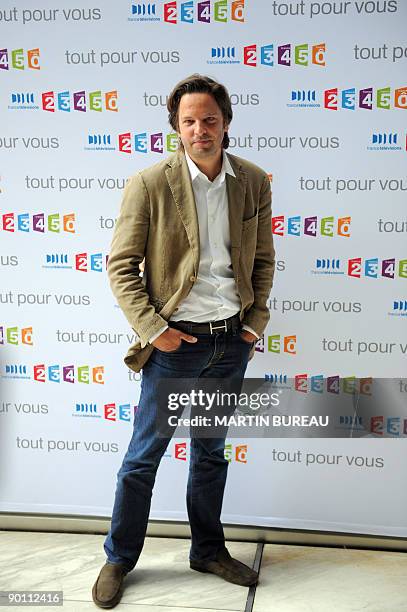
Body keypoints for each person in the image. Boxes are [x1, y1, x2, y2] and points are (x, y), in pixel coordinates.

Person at [92, 74, 275, 609]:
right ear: (176, 126)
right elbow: (121, 266)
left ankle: (208, 551)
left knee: (210, 454)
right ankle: (119, 558)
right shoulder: (150, 183)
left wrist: (253, 322)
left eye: (210, 119)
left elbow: (262, 260)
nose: (201, 129)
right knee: (143, 457)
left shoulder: (255, 181)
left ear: (226, 123)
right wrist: (154, 330)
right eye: (189, 121)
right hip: (176, 345)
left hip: (230, 342)